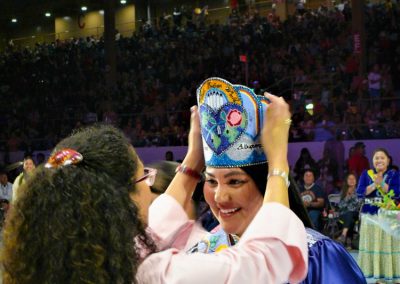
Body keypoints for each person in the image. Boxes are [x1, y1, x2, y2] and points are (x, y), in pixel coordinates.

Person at [1, 120, 307, 283]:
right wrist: (278, 162)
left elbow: (151, 232)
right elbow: (264, 260)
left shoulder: (58, 264)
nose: (152, 185)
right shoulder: (152, 275)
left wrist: (192, 163)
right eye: (143, 177)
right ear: (117, 204)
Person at [144, 78, 365, 283]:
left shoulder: (317, 255)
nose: (220, 196)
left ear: (263, 182)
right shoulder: (200, 251)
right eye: (211, 182)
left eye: (235, 182)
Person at [357, 148, 400, 283]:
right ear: (372, 161)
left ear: (388, 161)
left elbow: (397, 192)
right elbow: (360, 193)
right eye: (376, 158)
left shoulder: (394, 174)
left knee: (386, 245)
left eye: (382, 158)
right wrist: (374, 185)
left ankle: (387, 271)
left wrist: (382, 183)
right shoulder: (365, 174)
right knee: (370, 243)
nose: (379, 160)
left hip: (388, 214)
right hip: (369, 214)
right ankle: (370, 271)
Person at [337, 173, 361, 248]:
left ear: (356, 181)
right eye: (349, 179)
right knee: (350, 217)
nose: (351, 180)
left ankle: (343, 235)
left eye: (353, 179)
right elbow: (340, 206)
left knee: (350, 214)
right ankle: (349, 241)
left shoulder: (359, 190)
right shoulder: (343, 191)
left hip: (356, 213)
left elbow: (359, 203)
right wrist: (347, 196)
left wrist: (352, 195)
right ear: (347, 181)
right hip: (344, 214)